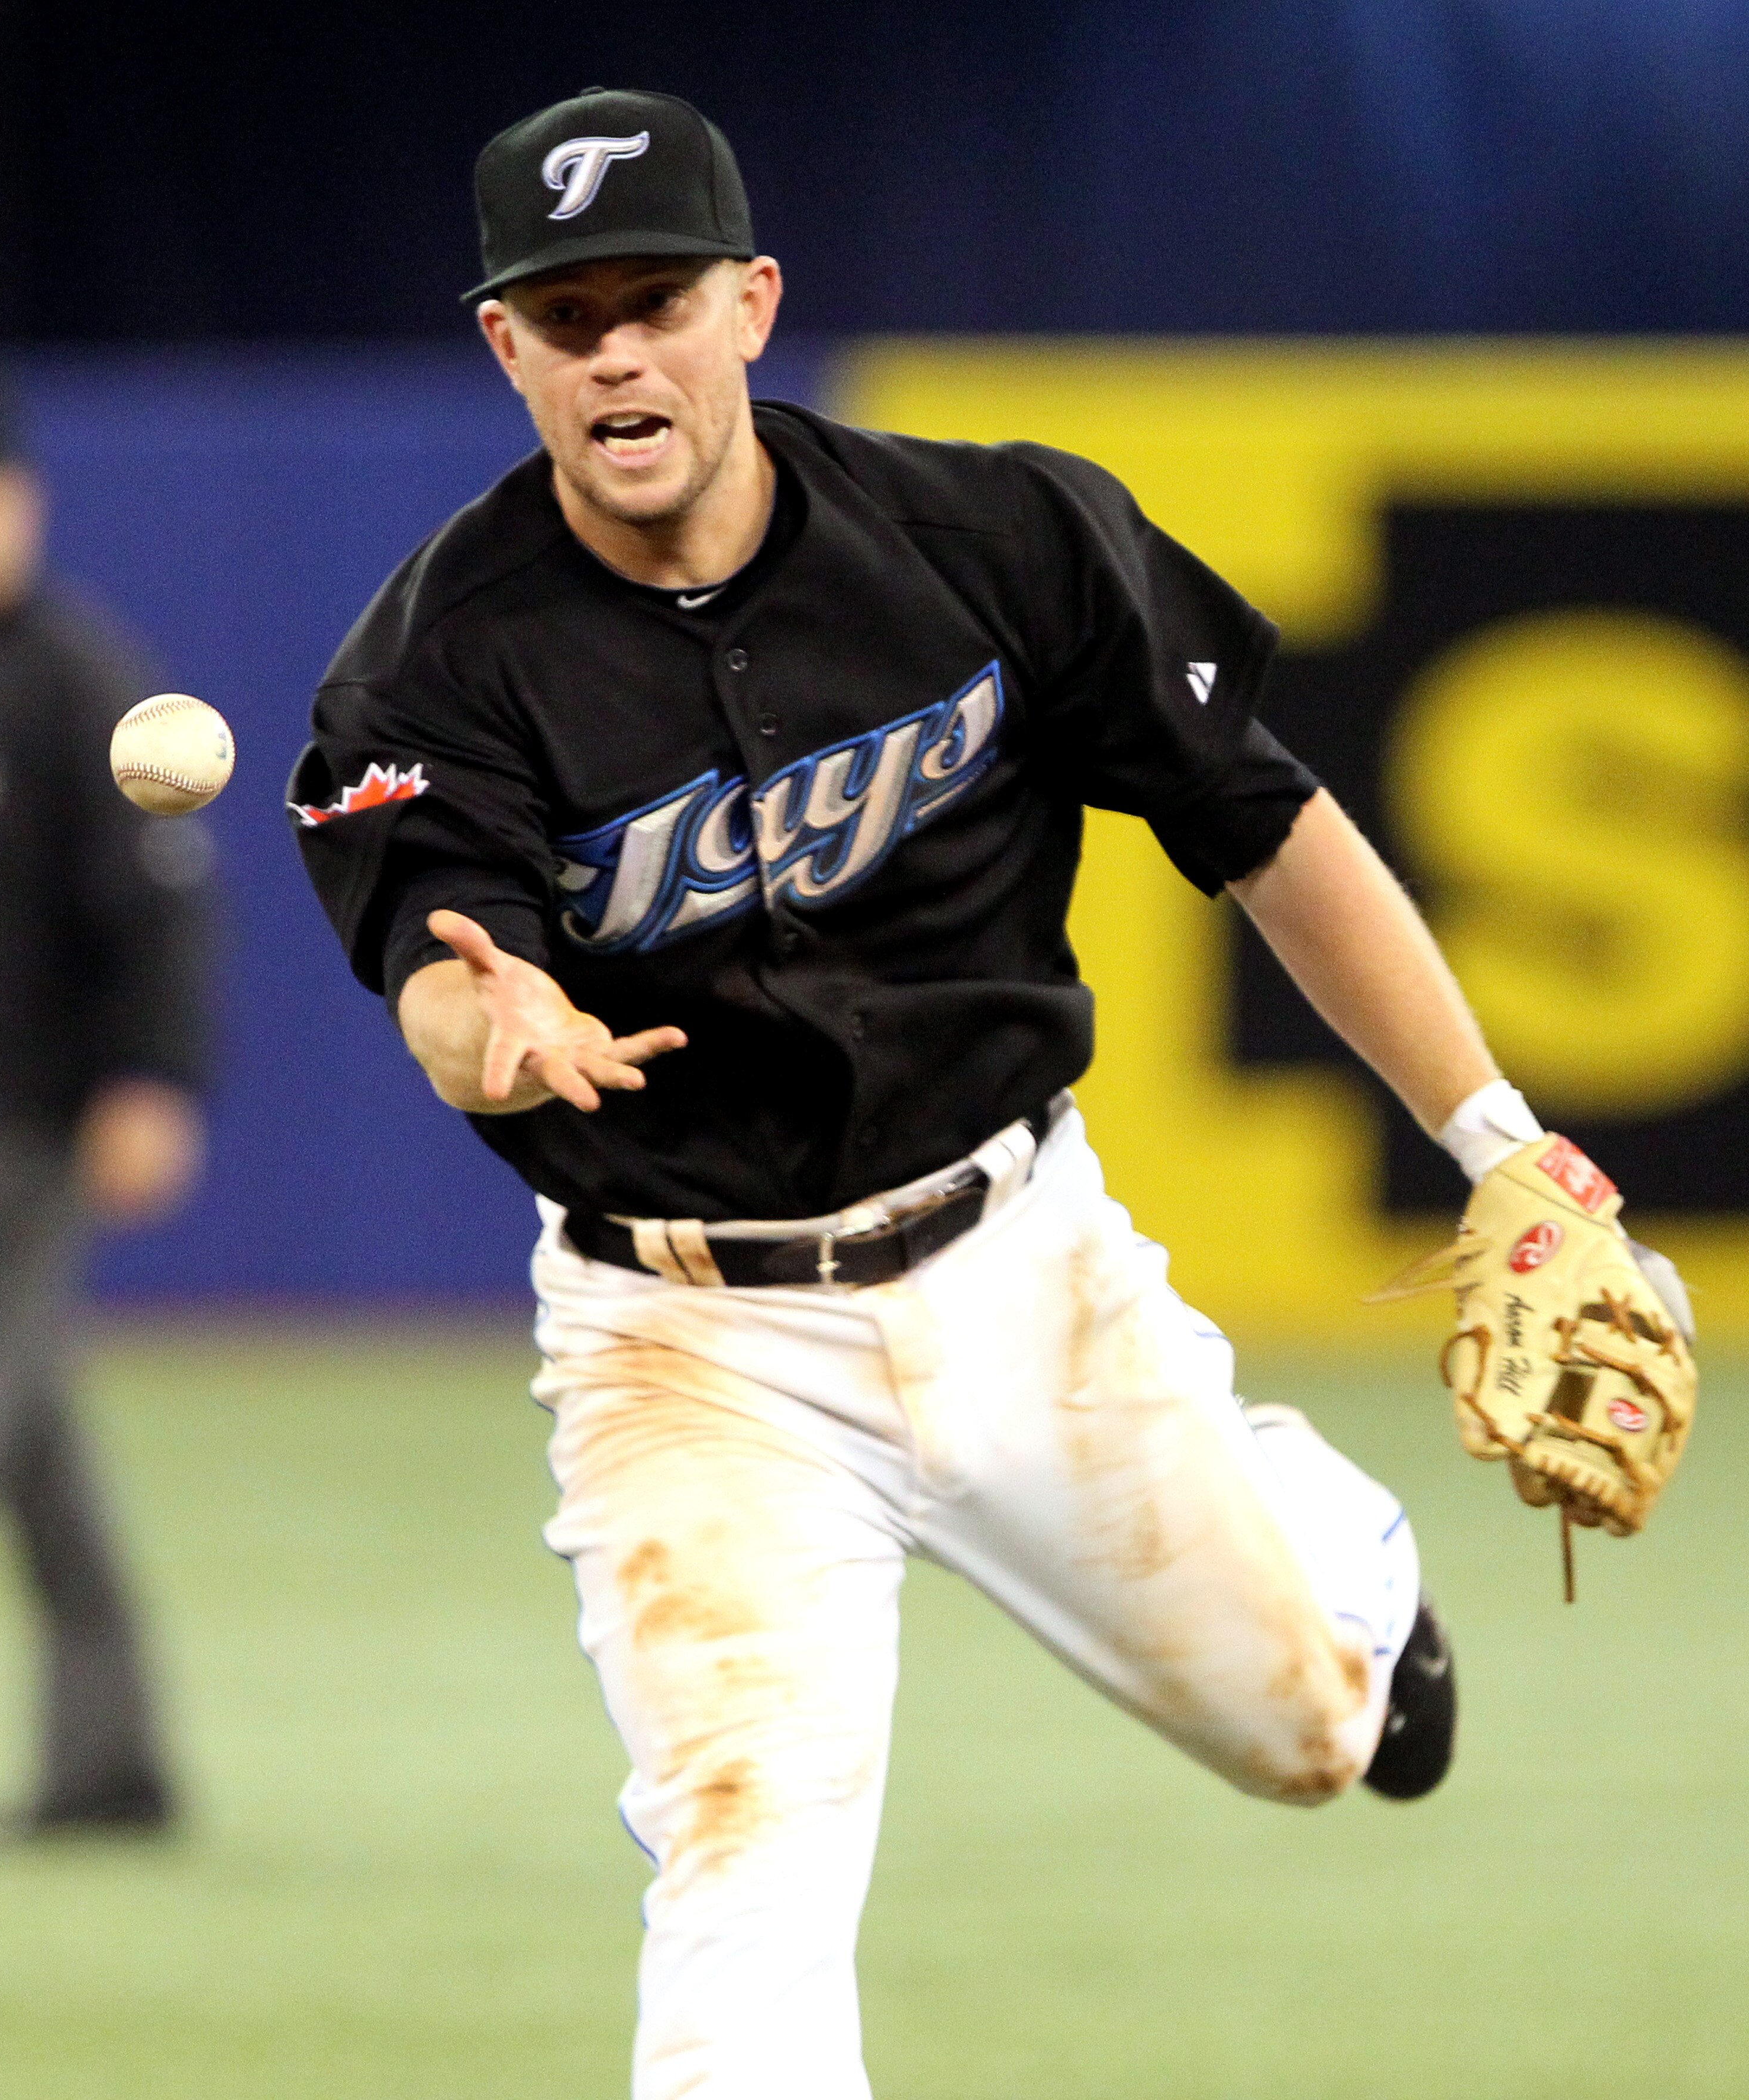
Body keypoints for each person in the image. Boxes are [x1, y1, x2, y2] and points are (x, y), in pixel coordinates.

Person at [292, 86, 1579, 2099]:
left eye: (657, 297)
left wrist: (1496, 1138)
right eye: (566, 314)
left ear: (752, 304)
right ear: (507, 351)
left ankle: (1334, 1539)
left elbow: (1272, 828)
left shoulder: (998, 538)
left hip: (1020, 1269)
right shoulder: (429, 675)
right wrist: (502, 1024)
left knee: (1317, 1741)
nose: (617, 348)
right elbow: (441, 981)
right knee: (745, 1878)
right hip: (687, 1344)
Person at [0, 362, 211, 1839]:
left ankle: (109, 1757)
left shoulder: (74, 679)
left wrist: (153, 1077)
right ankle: (111, 1763)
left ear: (24, 501)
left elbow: (163, 902)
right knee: (37, 1446)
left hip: (22, 1126)